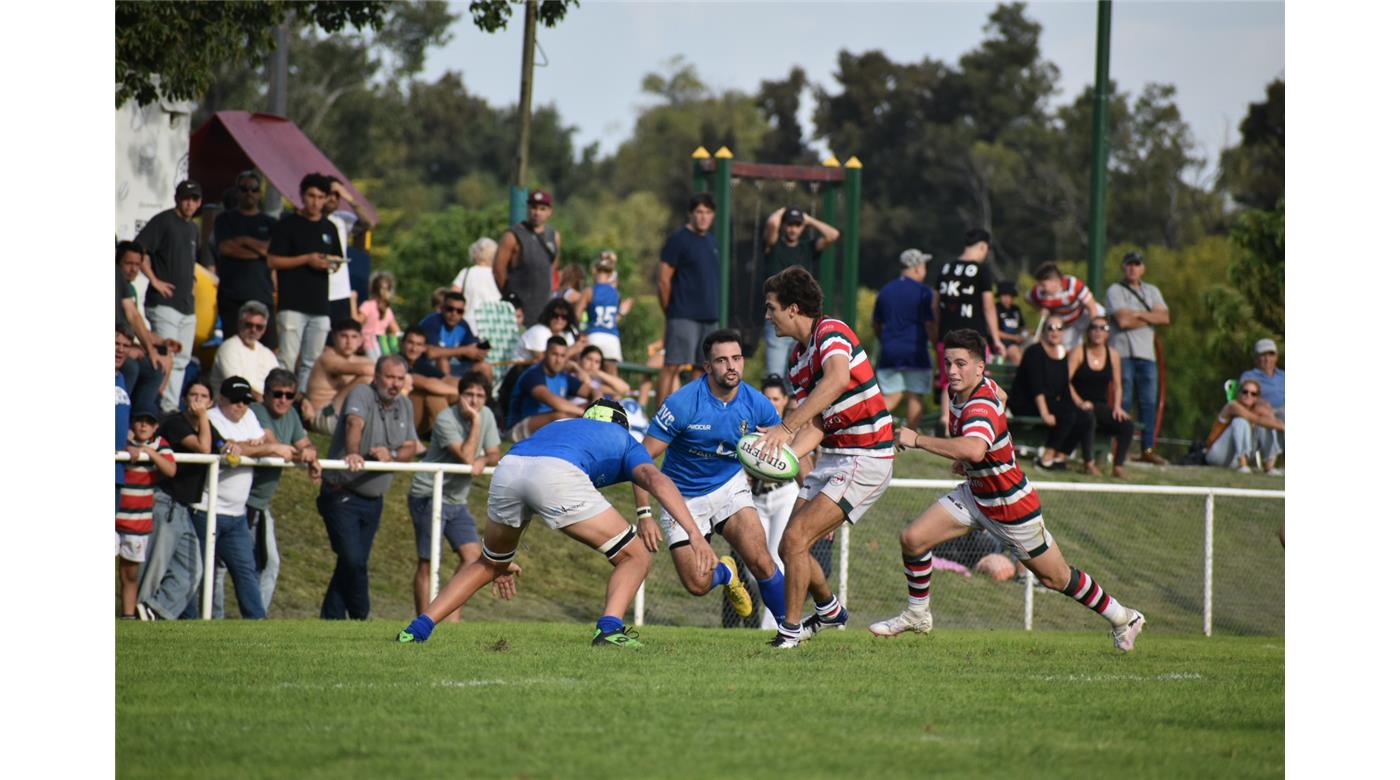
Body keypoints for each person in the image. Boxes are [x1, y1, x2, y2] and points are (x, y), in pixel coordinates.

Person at [869, 328, 1146, 652]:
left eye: (961, 364)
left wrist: (918, 440)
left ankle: (1123, 616)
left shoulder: (979, 405)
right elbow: (1000, 400)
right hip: (976, 495)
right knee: (913, 539)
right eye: (948, 363)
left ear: (979, 368)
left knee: (1056, 578)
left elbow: (973, 447)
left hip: (1011, 506)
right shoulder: (967, 392)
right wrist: (981, 459)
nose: (953, 371)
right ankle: (917, 614)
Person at [398, 399, 719, 648]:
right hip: (556, 473)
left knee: (488, 563)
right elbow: (653, 477)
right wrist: (694, 534)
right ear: (624, 425)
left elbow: (534, 477)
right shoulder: (624, 438)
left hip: (510, 467)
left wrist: (504, 555)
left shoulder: (561, 424)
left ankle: (417, 629)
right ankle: (609, 628)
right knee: (635, 556)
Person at [754, 266, 895, 648]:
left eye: (772, 308)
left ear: (794, 308)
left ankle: (789, 633)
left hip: (866, 454)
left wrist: (785, 430)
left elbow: (837, 381)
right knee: (789, 545)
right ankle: (829, 610)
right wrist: (777, 455)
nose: (768, 316)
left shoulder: (831, 332)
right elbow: (817, 422)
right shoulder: (797, 360)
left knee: (797, 538)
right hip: (835, 455)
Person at [632, 330, 788, 625]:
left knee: (762, 561)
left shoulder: (758, 404)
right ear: (707, 367)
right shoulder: (683, 403)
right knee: (697, 584)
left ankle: (789, 631)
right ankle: (726, 573)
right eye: (722, 360)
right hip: (681, 497)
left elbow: (782, 445)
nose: (731, 366)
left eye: (737, 358)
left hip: (729, 486)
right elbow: (640, 461)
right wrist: (644, 514)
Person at [317, 355, 416, 620]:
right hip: (341, 493)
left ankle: (331, 619)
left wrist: (391, 455)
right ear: (376, 376)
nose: (394, 384)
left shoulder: (404, 404)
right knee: (353, 560)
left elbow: (410, 447)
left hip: (374, 500)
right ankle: (362, 614)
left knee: (351, 562)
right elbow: (353, 423)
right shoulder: (362, 392)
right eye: (389, 377)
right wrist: (353, 453)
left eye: (399, 378)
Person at [406, 372, 505, 620]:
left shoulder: (488, 415)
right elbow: (466, 456)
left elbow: (493, 453)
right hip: (428, 495)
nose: (474, 401)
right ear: (459, 396)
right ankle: (421, 624)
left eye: (480, 396)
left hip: (456, 501)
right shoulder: (445, 418)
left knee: (473, 558)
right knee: (428, 562)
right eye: (469, 394)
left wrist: (485, 458)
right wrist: (474, 421)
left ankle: (450, 618)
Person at [229, 369, 321, 613]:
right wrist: (304, 453)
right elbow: (273, 444)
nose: (283, 400)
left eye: (289, 395)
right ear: (266, 394)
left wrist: (311, 452)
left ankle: (257, 618)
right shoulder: (257, 411)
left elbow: (303, 444)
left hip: (259, 504)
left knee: (268, 564)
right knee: (222, 566)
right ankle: (222, 616)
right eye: (277, 394)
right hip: (238, 502)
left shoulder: (291, 415)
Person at [182, 377, 275, 620]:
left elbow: (267, 444)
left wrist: (249, 446)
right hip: (206, 510)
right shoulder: (210, 418)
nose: (241, 405)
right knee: (198, 572)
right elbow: (226, 451)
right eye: (235, 400)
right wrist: (252, 446)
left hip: (236, 515)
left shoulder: (250, 417)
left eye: (245, 400)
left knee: (246, 570)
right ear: (220, 399)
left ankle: (258, 624)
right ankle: (190, 622)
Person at [135, 380, 212, 621]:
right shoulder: (176, 423)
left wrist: (237, 446)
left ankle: (153, 613)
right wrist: (205, 418)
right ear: (184, 398)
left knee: (192, 571)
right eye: (193, 395)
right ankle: (137, 623)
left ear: (211, 402)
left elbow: (221, 446)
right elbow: (204, 449)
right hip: (164, 503)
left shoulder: (204, 425)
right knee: (152, 572)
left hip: (183, 508)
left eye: (203, 396)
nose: (197, 400)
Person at [268, 173, 343, 394]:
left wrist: (332, 263)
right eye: (311, 196)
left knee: (312, 361)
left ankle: (302, 406)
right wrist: (307, 259)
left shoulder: (329, 227)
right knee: (287, 359)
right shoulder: (288, 224)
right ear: (302, 195)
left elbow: (337, 260)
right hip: (292, 303)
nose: (316, 202)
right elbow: (272, 260)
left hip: (320, 304)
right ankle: (280, 403)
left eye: (321, 197)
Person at [136, 179, 204, 412]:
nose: (190, 204)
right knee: (166, 357)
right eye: (186, 198)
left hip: (186, 305)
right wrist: (154, 280)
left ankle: (169, 408)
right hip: (164, 304)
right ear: (177, 198)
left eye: (195, 199)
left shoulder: (193, 228)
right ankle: (151, 409)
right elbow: (139, 250)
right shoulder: (164, 221)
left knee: (182, 360)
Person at [932, 228, 1005, 432]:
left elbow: (934, 305)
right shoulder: (981, 270)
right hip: (974, 336)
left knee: (950, 377)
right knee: (977, 377)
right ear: (983, 247)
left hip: (946, 335)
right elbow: (988, 306)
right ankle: (974, 420)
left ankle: (946, 420)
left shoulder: (945, 268)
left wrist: (938, 332)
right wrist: (996, 339)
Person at [1105, 251, 1172, 465]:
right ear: (1123, 267)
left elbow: (1164, 317)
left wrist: (1135, 315)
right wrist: (1149, 316)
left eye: (1137, 264)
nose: (1133, 268)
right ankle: (1118, 448)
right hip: (1122, 353)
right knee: (1122, 402)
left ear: (1143, 268)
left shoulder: (1152, 290)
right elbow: (1122, 322)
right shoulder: (1115, 290)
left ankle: (1148, 449)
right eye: (1129, 264)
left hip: (1147, 354)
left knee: (1148, 402)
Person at [762, 206, 841, 378]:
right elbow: (772, 223)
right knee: (774, 377)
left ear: (803, 227)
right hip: (778, 314)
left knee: (799, 377)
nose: (793, 229)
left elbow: (833, 235)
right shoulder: (774, 246)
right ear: (783, 226)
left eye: (798, 225)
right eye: (790, 224)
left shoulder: (808, 247)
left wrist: (808, 219)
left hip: (801, 316)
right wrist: (783, 210)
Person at [657, 192, 720, 405]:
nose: (704, 217)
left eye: (708, 212)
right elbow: (663, 280)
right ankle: (658, 418)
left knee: (702, 369)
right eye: (699, 212)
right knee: (672, 366)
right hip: (682, 314)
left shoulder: (711, 240)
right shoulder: (678, 239)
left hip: (709, 316)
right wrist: (672, 312)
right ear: (691, 214)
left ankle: (694, 418)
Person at [1009, 315, 1095, 471]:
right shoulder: (1034, 352)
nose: (1055, 332)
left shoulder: (1061, 354)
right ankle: (1046, 458)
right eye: (1050, 328)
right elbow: (1037, 387)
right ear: (1043, 332)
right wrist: (1045, 413)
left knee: (1085, 417)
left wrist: (1078, 404)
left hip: (1047, 402)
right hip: (1027, 402)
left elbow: (1064, 387)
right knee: (1068, 415)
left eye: (1059, 328)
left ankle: (1059, 457)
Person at [117, 406, 176, 617]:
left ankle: (127, 616)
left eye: (149, 422)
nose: (144, 425)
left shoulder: (160, 446)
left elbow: (170, 469)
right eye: (140, 420)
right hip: (115, 516)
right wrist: (127, 448)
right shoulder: (120, 440)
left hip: (138, 522)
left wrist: (147, 452)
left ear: (156, 427)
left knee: (129, 574)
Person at [213, 170, 278, 350]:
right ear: (237, 192)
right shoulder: (224, 219)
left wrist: (243, 240)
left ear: (260, 193)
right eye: (244, 189)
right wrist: (260, 250)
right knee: (233, 346)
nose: (249, 193)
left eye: (254, 189)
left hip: (262, 293)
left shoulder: (271, 222)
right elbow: (225, 248)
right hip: (232, 295)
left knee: (268, 348)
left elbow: (272, 253)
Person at [873, 249, 937, 430]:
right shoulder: (924, 292)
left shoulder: (885, 291)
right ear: (917, 269)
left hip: (890, 351)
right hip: (916, 351)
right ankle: (909, 438)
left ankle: (869, 430)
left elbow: (876, 323)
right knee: (915, 395)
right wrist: (936, 342)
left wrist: (885, 341)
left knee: (891, 397)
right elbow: (930, 324)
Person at [1067, 316, 1136, 479]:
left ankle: (1118, 466)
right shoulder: (1079, 352)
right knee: (1088, 418)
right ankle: (1088, 463)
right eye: (1094, 327)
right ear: (1088, 332)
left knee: (1127, 425)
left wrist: (1118, 407)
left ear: (1108, 334)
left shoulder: (1113, 355)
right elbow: (1065, 381)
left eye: (1102, 328)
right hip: (1077, 404)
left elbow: (1118, 385)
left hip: (1099, 405)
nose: (1098, 332)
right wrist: (1079, 402)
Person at [117, 240, 172, 415]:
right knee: (131, 368)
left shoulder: (120, 281)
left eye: (137, 265)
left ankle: (142, 421)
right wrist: (125, 348)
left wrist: (151, 350)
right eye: (128, 263)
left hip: (124, 344)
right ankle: (121, 419)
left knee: (155, 368)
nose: (133, 269)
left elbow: (133, 315)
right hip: (118, 347)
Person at [506, 336, 598, 441]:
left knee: (585, 406)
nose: (558, 360)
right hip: (517, 427)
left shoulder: (563, 376)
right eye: (554, 354)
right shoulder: (533, 374)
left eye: (562, 356)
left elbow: (593, 391)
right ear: (545, 354)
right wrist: (586, 413)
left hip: (549, 422)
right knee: (560, 417)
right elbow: (556, 403)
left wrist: (595, 405)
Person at [493, 189, 561, 326]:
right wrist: (510, 296)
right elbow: (498, 269)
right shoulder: (513, 235)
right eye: (534, 208)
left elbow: (553, 267)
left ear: (549, 212)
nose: (537, 212)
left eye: (542, 209)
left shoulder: (554, 236)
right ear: (528, 208)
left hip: (542, 305)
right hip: (518, 308)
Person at [301, 319, 376, 435]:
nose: (349, 341)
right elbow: (366, 370)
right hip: (324, 415)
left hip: (345, 414)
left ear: (361, 340)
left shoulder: (362, 360)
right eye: (344, 336)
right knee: (367, 380)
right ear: (335, 338)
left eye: (354, 337)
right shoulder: (327, 358)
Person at [323, 177, 375, 326]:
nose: (333, 198)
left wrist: (349, 198)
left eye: (337, 195)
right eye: (329, 194)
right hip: (317, 291)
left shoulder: (341, 219)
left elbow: (368, 223)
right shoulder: (310, 219)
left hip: (340, 292)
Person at [1205, 378, 1284, 474]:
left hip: (1234, 460)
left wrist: (1266, 409)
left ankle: (1269, 467)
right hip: (1217, 456)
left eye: (1253, 394)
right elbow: (1255, 419)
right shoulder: (1232, 406)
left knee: (1266, 425)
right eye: (1245, 392)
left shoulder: (1257, 409)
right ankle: (1243, 465)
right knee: (1240, 421)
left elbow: (1270, 421)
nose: (1248, 395)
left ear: (1257, 397)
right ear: (1239, 394)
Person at [575, 251, 632, 374]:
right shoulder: (615, 293)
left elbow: (577, 315)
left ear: (594, 271)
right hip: (612, 338)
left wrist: (579, 333)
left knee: (589, 374)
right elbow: (613, 319)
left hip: (594, 334)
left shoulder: (589, 291)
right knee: (611, 376)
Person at [210, 301, 280, 397]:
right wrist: (266, 402)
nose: (253, 330)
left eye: (259, 327)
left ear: (264, 329)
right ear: (239, 323)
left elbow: (278, 384)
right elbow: (238, 387)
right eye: (248, 325)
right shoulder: (229, 348)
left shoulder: (267, 354)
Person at [400, 325, 459, 436]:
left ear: (424, 348)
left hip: (420, 420)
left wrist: (468, 389)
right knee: (433, 395)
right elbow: (427, 384)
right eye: (410, 343)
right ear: (402, 343)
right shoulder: (396, 363)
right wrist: (461, 391)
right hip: (401, 419)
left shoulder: (420, 364)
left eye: (419, 345)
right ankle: (453, 438)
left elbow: (447, 379)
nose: (414, 349)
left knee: (448, 387)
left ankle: (460, 435)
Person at [1027, 261, 1099, 351]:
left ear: (1056, 281)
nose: (1040, 288)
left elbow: (1092, 307)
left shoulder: (1073, 285)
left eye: (1043, 285)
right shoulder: (1039, 292)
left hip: (1083, 315)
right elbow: (1028, 299)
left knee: (1101, 317)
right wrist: (1040, 309)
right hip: (1066, 324)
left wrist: (1095, 329)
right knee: (1069, 350)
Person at [420, 291, 492, 380]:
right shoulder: (432, 322)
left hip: (456, 365)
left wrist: (478, 352)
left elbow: (471, 347)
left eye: (459, 311)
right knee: (443, 360)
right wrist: (464, 350)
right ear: (442, 309)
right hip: (428, 368)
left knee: (485, 367)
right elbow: (431, 353)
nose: (454, 314)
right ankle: (448, 391)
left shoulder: (463, 325)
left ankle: (483, 393)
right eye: (450, 309)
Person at [1239, 337, 1284, 465]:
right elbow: (1246, 400)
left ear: (1276, 357)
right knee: (1269, 418)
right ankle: (1269, 464)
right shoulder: (1248, 376)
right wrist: (1263, 406)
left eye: (1271, 354)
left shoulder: (1284, 376)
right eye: (1263, 355)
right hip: (1261, 413)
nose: (1267, 359)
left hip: (1283, 411)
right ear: (1256, 358)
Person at [451, 236, 501, 333]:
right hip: (495, 326)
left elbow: (453, 296)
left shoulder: (466, 272)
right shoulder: (498, 274)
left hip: (468, 324)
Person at [513, 297, 584, 362]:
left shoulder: (566, 334)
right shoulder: (539, 332)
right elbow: (544, 361)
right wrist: (571, 351)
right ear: (548, 316)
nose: (559, 319)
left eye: (564, 317)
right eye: (555, 315)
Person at [358, 271, 401, 360]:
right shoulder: (388, 310)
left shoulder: (367, 305)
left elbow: (356, 323)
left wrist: (352, 302)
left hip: (367, 344)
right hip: (382, 345)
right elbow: (396, 331)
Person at [115, 327, 133, 512]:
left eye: (125, 346)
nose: (120, 350)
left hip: (117, 472)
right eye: (116, 344)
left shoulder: (121, 378)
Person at [994, 280, 1028, 365]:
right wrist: (1014, 337)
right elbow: (994, 331)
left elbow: (1022, 327)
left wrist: (1024, 334)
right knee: (1014, 351)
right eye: (1004, 295)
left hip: (1017, 342)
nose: (1007, 299)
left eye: (1010, 296)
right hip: (1001, 343)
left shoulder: (1016, 310)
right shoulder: (996, 309)